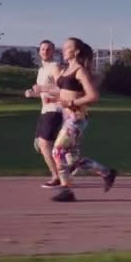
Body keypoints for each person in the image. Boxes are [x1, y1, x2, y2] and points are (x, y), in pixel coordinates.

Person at [34, 37, 117, 202]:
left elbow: (93, 96)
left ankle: (67, 190)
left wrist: (72, 102)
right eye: (63, 47)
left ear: (76, 51)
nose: (63, 50)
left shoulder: (80, 70)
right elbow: (63, 92)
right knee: (72, 160)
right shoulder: (66, 70)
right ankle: (107, 172)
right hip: (67, 118)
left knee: (57, 151)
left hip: (76, 118)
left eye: (67, 47)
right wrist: (42, 91)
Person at [24, 40, 63, 188]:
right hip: (45, 109)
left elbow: (62, 90)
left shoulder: (55, 67)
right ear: (39, 52)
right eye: (42, 49)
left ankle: (57, 176)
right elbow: (43, 91)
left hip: (55, 109)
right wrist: (32, 94)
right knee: (40, 146)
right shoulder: (41, 71)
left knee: (44, 143)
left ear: (53, 52)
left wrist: (42, 88)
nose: (45, 51)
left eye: (48, 49)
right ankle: (65, 164)